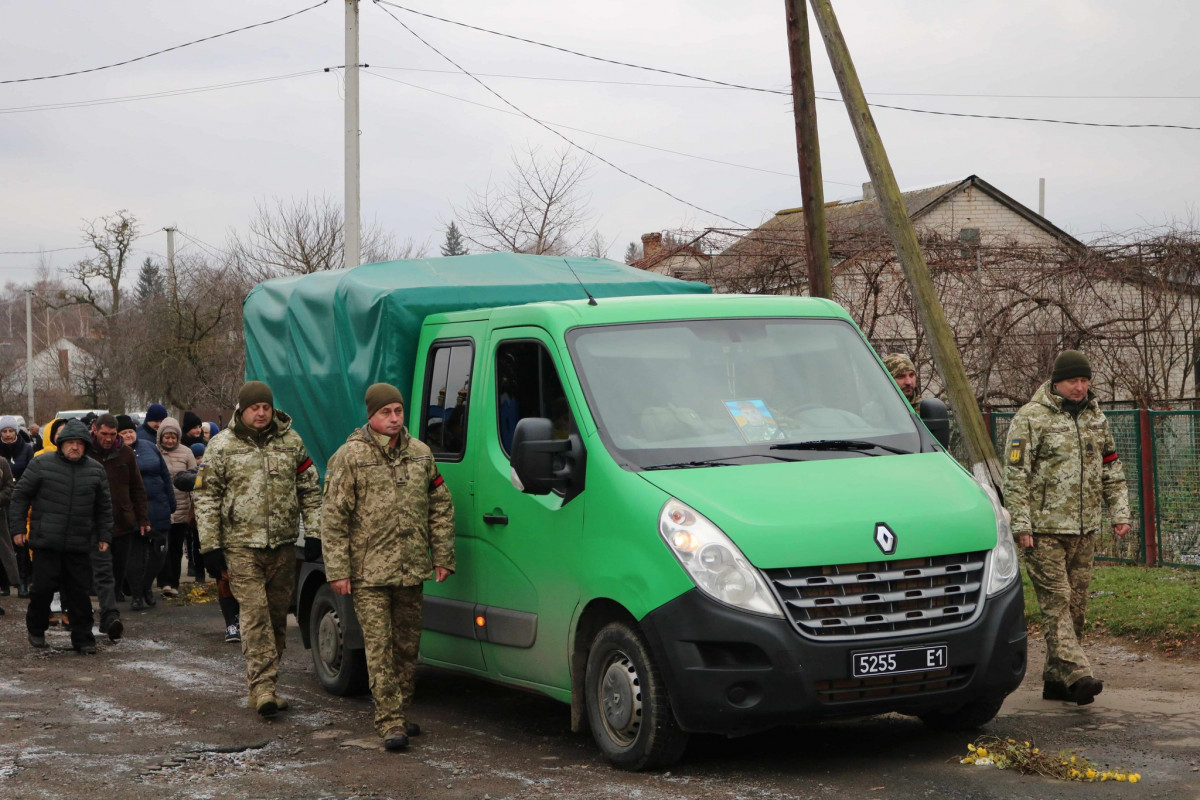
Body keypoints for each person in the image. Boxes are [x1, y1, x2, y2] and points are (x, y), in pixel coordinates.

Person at [321, 383, 455, 751]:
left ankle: (401, 709)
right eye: (386, 413)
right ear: (371, 415)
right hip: (369, 574)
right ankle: (389, 720)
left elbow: (440, 506)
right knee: (378, 647)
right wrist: (338, 569)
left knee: (407, 647)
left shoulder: (420, 454)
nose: (394, 419)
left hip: (411, 569)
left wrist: (442, 554)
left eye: (397, 411)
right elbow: (333, 517)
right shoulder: (351, 457)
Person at [1003, 350, 1132, 706]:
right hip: (1043, 531)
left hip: (1084, 528)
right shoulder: (1031, 418)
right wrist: (1022, 523)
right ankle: (1078, 673)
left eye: (1085, 380)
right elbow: (1016, 474)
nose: (1080, 387)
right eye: (1074, 380)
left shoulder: (1096, 418)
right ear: (1057, 382)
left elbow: (1111, 469)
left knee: (1076, 607)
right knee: (1056, 602)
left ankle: (1055, 681)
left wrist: (1120, 513)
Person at [194, 381, 322, 716]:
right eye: (255, 407)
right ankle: (262, 688)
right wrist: (210, 546)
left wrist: (314, 533)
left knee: (278, 617)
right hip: (241, 547)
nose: (261, 412)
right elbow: (206, 497)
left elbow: (309, 490)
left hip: (281, 546)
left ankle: (268, 683)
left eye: (266, 406)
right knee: (254, 616)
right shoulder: (221, 446)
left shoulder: (291, 442)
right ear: (242, 409)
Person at [9, 419, 113, 654]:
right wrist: (17, 529)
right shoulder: (41, 464)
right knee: (42, 589)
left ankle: (83, 638)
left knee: (79, 593)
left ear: (86, 445)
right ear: (61, 443)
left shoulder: (96, 471)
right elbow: (20, 496)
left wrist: (104, 535)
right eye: (70, 443)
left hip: (79, 542)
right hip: (46, 541)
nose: (75, 447)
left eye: (79, 443)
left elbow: (104, 508)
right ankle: (36, 628)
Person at [87, 413, 146, 639]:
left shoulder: (126, 453)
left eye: (113, 434)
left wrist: (143, 518)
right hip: (94, 523)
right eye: (104, 434)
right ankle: (108, 617)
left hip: (122, 522)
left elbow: (137, 488)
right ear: (95, 429)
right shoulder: (86, 452)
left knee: (117, 571)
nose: (109, 439)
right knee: (103, 572)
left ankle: (108, 611)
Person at [155, 417, 195, 598]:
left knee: (177, 548)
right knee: (163, 546)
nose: (170, 441)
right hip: (162, 507)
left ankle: (174, 582)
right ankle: (164, 582)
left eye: (173, 437)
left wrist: (194, 505)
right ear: (161, 437)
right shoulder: (155, 452)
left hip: (182, 507)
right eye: (166, 437)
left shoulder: (187, 453)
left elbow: (195, 479)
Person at [0, 415, 35, 597]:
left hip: (22, 499)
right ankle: (4, 583)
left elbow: (31, 471)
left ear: (16, 431)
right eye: (4, 431)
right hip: (3, 501)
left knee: (20, 540)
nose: (7, 435)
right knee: (3, 544)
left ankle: (22, 582)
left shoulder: (27, 449)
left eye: (10, 431)